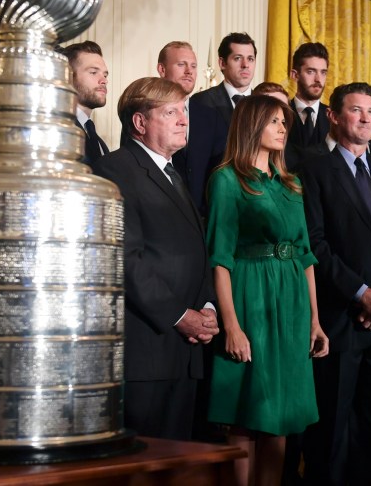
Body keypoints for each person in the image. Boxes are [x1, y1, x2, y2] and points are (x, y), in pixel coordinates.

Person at [205, 94, 329, 485]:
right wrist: (232, 326)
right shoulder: (226, 179)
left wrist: (315, 320)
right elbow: (220, 258)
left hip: (291, 301)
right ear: (251, 125)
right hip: (250, 295)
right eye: (274, 121)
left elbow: (307, 255)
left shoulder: (291, 183)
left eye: (284, 122)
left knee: (282, 412)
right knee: (246, 408)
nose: (282, 128)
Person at [300, 83, 371, 485]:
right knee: (331, 431)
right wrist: (361, 294)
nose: (366, 118)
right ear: (333, 116)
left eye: (370, 110)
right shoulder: (313, 167)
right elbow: (314, 243)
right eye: (355, 110)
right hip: (338, 322)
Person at [92, 77, 218, 440]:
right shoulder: (115, 170)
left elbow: (197, 249)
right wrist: (181, 316)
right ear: (140, 123)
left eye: (184, 111)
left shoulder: (173, 173)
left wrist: (207, 305)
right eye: (171, 112)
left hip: (185, 350)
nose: (183, 120)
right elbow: (125, 259)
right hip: (146, 350)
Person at [158, 41, 228, 216]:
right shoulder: (145, 112)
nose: (189, 71)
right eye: (181, 64)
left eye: (193, 66)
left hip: (201, 220)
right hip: (160, 214)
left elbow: (219, 169)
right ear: (162, 69)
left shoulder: (211, 116)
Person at [59, 41, 110, 166]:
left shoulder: (100, 144)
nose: (104, 80)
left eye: (105, 74)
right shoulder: (59, 131)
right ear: (68, 77)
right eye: (93, 72)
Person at [190, 32, 256, 125]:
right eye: (237, 58)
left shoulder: (265, 104)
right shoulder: (202, 102)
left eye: (250, 59)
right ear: (222, 63)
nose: (245, 65)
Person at [288, 42, 330, 149]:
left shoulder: (334, 118)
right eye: (311, 71)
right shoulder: (282, 113)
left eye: (323, 72)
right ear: (295, 75)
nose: (318, 79)